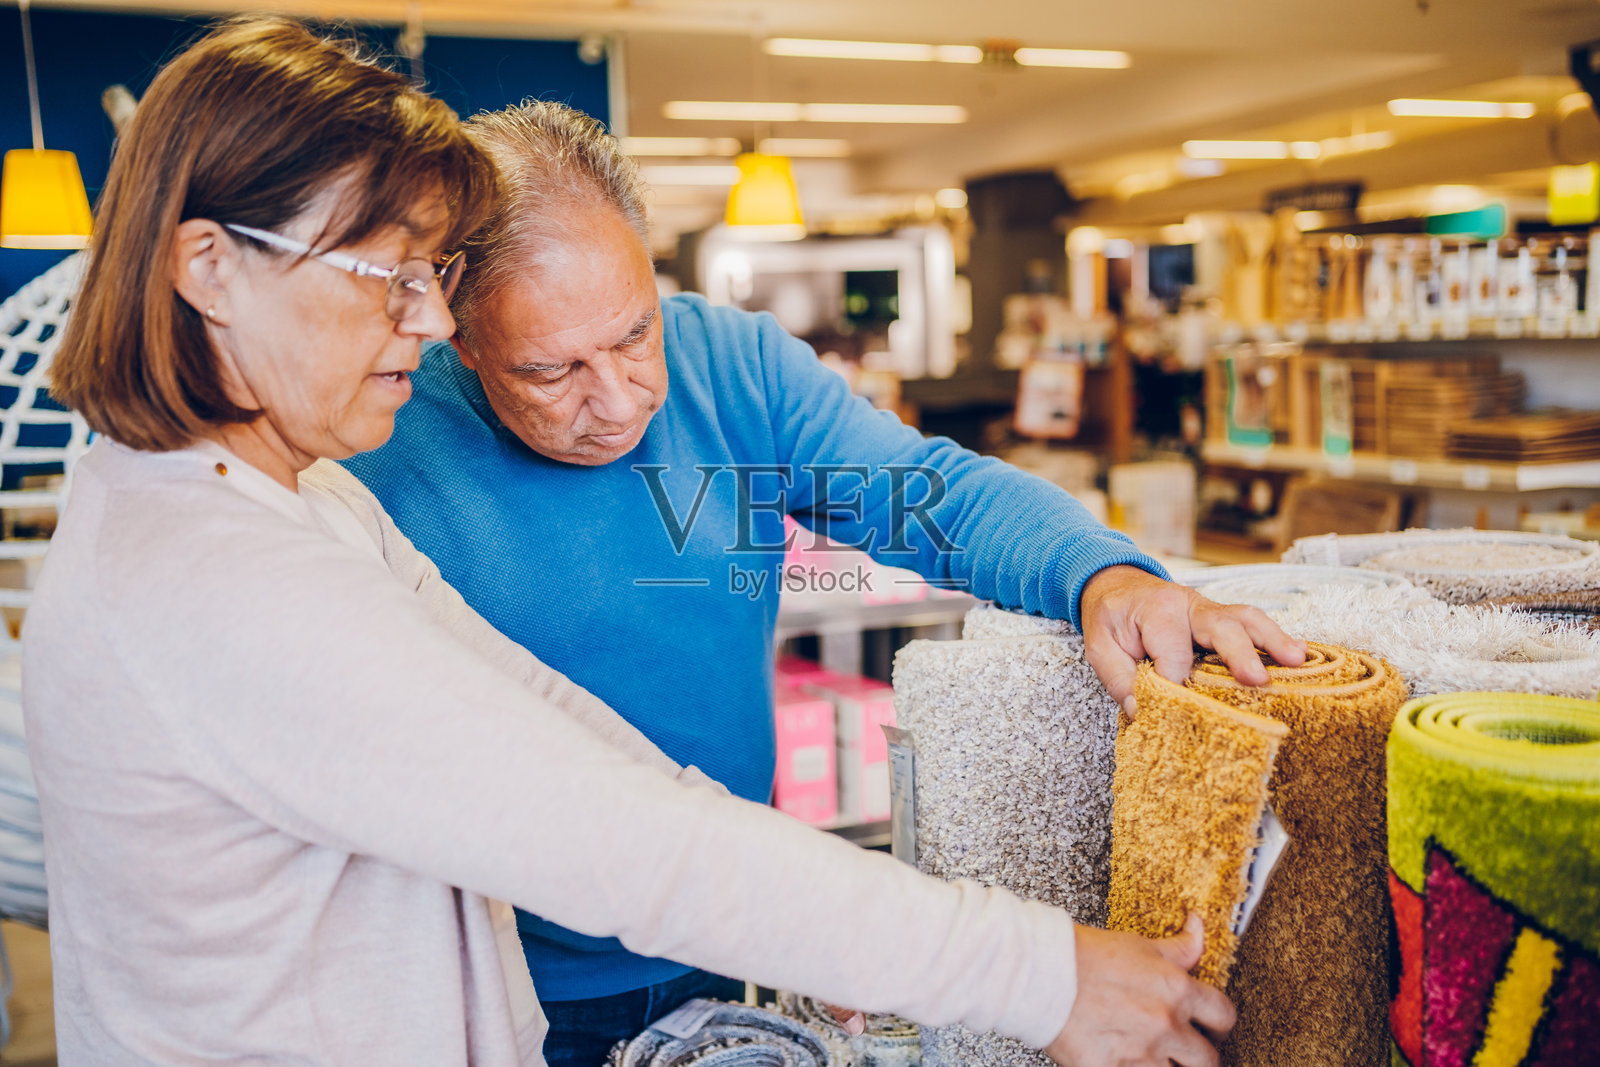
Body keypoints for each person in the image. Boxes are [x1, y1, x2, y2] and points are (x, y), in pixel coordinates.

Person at [24, 17, 1234, 1067]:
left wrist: (1097, 573)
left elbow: (574, 742)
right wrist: (1036, 974)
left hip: (690, 939)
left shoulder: (293, 497)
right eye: (389, 276)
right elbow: (609, 834)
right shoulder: (248, 556)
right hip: (548, 960)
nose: (421, 318)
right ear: (208, 267)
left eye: (635, 336)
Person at [343, 100, 1306, 1061]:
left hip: (728, 930)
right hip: (496, 976)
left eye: (635, 335)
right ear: (458, 333)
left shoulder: (731, 366)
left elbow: (929, 491)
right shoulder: (370, 436)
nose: (619, 399)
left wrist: (1104, 576)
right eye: (552, 372)